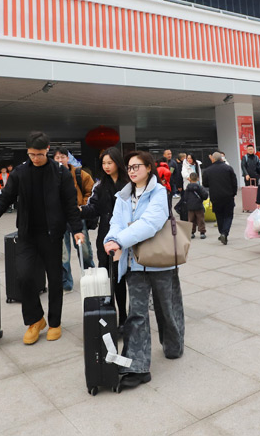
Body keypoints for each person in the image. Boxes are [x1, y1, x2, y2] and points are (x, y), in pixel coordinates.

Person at [0, 132, 84, 345]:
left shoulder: (60, 173)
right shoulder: (20, 172)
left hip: (52, 234)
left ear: (47, 149)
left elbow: (70, 205)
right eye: (31, 154)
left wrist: (77, 229)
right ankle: (35, 320)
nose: (36, 158)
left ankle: (55, 322)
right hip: (27, 234)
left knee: (55, 279)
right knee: (24, 276)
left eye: (39, 154)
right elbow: (6, 197)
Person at [104, 151, 184, 391]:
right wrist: (110, 238)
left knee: (166, 308)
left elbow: (151, 223)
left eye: (136, 166)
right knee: (136, 313)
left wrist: (119, 240)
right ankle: (137, 367)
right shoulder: (123, 196)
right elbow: (115, 223)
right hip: (134, 263)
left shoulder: (159, 192)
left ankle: (173, 346)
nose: (132, 171)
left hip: (161, 261)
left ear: (149, 168)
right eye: (129, 167)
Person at [80, 147, 130, 329]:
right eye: (104, 163)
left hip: (127, 237)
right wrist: (79, 210)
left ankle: (125, 317)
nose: (107, 166)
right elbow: (93, 208)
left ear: (118, 163)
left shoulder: (129, 183)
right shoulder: (99, 186)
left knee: (124, 278)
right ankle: (112, 316)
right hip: (107, 238)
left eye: (110, 162)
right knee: (110, 277)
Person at [53, 148, 95, 292]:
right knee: (63, 252)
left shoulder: (79, 174)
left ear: (68, 158)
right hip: (59, 218)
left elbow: (91, 191)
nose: (60, 160)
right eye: (57, 157)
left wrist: (82, 206)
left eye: (62, 157)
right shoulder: (50, 175)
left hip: (77, 216)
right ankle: (66, 281)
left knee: (84, 249)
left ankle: (90, 275)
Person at [202, 151, 238, 245]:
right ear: (221, 158)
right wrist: (233, 193)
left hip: (215, 196)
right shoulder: (228, 168)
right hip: (228, 196)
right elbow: (234, 182)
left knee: (219, 215)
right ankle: (224, 233)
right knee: (228, 215)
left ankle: (222, 232)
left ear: (213, 159)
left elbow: (205, 184)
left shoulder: (207, 170)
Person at [183, 172, 207, 239]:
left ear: (189, 179)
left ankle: (192, 232)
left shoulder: (187, 188)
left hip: (190, 207)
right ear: (197, 179)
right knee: (200, 219)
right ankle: (202, 232)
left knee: (191, 220)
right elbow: (205, 195)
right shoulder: (199, 187)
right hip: (199, 205)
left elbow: (185, 198)